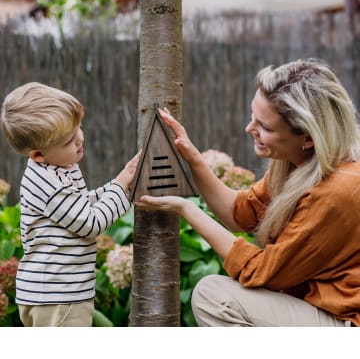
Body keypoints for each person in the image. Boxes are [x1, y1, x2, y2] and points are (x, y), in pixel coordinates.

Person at [136, 59, 360, 327]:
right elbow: (240, 213)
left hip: (345, 321)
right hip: (317, 307)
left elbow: (261, 272)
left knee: (214, 297)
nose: (249, 129)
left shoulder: (337, 191)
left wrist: (188, 209)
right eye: (253, 117)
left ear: (308, 138)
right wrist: (193, 159)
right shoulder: (297, 164)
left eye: (265, 127)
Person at [0, 82, 140, 327]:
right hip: (58, 295)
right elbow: (90, 223)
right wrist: (121, 183)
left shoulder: (59, 168)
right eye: (68, 141)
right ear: (38, 154)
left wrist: (123, 191)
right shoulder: (49, 182)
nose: (79, 139)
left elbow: (81, 206)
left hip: (53, 293)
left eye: (79, 129)